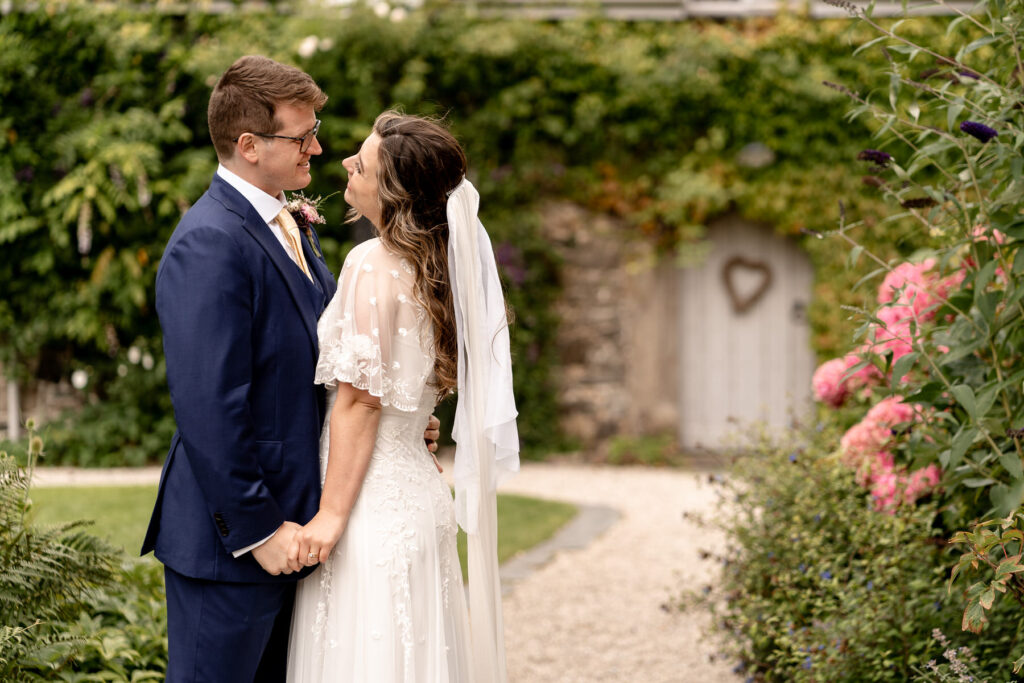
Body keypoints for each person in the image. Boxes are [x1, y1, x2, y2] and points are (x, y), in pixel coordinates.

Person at [141, 58, 441, 682]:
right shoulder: (209, 242)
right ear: (249, 146)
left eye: (315, 129)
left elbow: (322, 366)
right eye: (301, 136)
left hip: (301, 533)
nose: (319, 147)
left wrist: (399, 418)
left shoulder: (291, 225)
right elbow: (209, 407)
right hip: (236, 548)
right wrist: (258, 532)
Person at [285, 112, 520, 682]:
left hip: (368, 507)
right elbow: (408, 395)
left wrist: (330, 517)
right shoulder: (439, 271)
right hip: (419, 498)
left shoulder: (371, 263)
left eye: (359, 163)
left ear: (390, 194)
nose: (344, 162)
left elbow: (363, 400)